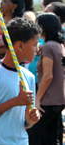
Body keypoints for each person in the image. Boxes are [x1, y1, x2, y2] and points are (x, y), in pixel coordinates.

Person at [0, 17, 41, 145]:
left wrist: (31, 119)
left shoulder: (29, 76)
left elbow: (25, 123)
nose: (37, 48)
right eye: (34, 44)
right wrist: (15, 101)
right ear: (20, 46)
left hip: (20, 142)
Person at [27, 13, 65, 145]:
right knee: (51, 136)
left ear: (43, 27)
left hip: (49, 100)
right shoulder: (58, 45)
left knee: (32, 132)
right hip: (58, 99)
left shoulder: (49, 46)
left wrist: (37, 99)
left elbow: (48, 76)